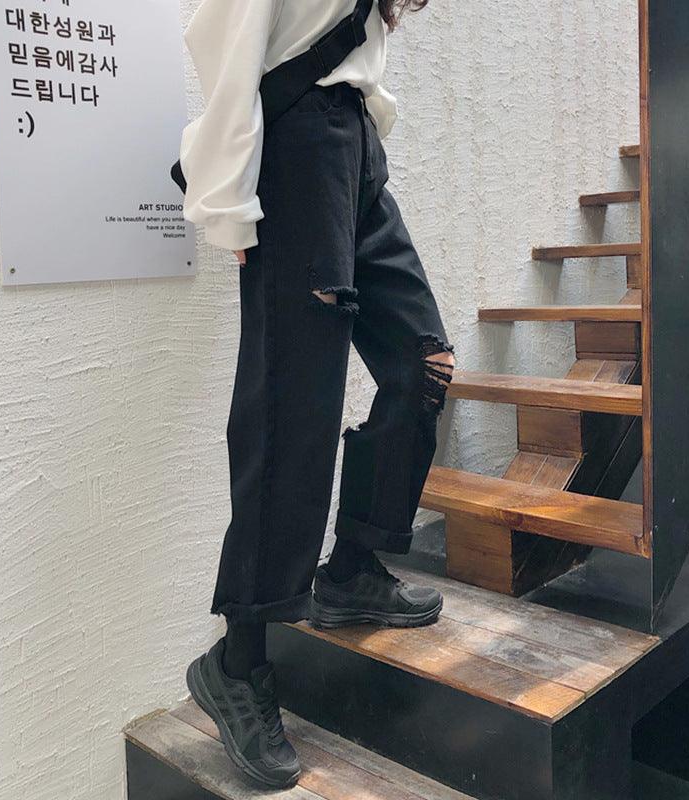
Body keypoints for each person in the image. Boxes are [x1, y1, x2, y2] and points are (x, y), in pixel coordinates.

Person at [177, 0, 455, 788]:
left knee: (423, 362)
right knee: (292, 401)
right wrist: (229, 203)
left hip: (353, 149)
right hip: (299, 146)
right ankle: (239, 662)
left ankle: (351, 568)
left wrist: (368, 123)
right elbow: (226, 34)